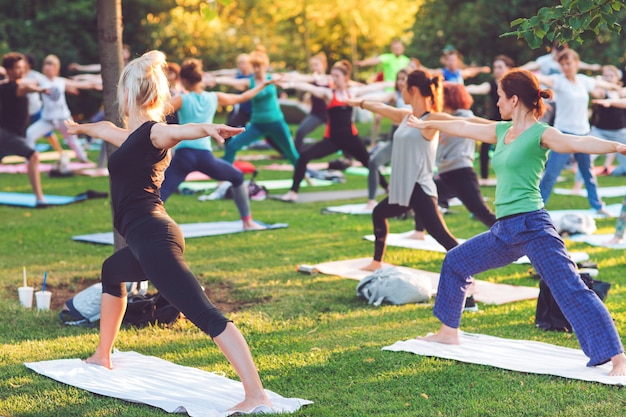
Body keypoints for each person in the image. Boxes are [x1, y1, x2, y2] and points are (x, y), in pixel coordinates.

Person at [63, 50, 272, 413]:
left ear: (130, 94)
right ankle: (102, 355)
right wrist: (79, 128)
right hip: (151, 236)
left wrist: (208, 128)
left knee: (205, 314)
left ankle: (256, 395)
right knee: (112, 271)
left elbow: (179, 131)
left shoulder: (153, 132)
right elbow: (105, 130)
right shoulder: (131, 136)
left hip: (154, 238)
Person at [406, 68, 626, 377]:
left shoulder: (541, 133)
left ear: (514, 99)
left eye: (499, 97)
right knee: (455, 262)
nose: (496, 103)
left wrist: (616, 147)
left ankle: (617, 357)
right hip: (504, 230)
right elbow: (463, 125)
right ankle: (448, 331)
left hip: (534, 227)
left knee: (570, 288)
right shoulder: (501, 132)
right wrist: (428, 122)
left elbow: (577, 142)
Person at [345, 69, 459, 272]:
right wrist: (359, 103)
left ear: (413, 90)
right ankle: (377, 261)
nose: (401, 89)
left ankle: (468, 271)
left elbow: (464, 123)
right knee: (379, 213)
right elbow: (379, 107)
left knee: (442, 237)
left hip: (419, 189)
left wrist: (500, 128)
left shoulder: (431, 119)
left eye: (404, 86)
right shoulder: (406, 116)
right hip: (404, 189)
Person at [159, 57, 270, 230]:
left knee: (159, 195)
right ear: (200, 79)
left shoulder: (181, 99)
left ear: (184, 81)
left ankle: (144, 229)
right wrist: (263, 85)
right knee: (237, 177)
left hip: (183, 156)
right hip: (205, 156)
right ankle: (247, 221)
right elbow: (243, 97)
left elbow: (158, 112)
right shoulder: (214, 97)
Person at [279, 60, 389, 203]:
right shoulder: (328, 94)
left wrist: (389, 83)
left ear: (345, 77)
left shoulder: (352, 93)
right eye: (332, 76)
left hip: (351, 138)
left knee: (369, 162)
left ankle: (388, 188)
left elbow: (370, 88)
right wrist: (290, 84)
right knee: (304, 156)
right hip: (332, 140)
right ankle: (293, 192)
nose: (333, 79)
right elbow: (310, 88)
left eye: (337, 76)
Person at [535, 49, 620, 214]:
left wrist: (615, 86)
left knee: (588, 173)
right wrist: (526, 75)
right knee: (551, 173)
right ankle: (536, 208)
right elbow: (542, 78)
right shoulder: (558, 81)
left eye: (569, 63)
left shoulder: (583, 81)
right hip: (564, 136)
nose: (566, 67)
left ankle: (598, 206)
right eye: (563, 64)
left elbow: (603, 85)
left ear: (576, 63)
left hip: (583, 135)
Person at [214, 46, 299, 166]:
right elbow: (232, 81)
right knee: (232, 146)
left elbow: (293, 79)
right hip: (257, 125)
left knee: (291, 153)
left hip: (276, 123)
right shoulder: (250, 82)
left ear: (265, 66)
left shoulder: (272, 79)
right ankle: (224, 177)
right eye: (254, 66)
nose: (257, 69)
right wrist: (215, 80)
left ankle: (304, 175)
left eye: (259, 66)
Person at [432, 82, 496, 227]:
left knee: (481, 212)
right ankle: (419, 232)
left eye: (440, 95)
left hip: (461, 172)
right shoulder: (442, 117)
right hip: (444, 173)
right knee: (423, 202)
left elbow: (483, 126)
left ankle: (515, 238)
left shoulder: (464, 115)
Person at [26, 54, 99, 164]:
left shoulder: (60, 81)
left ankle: (83, 159)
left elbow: (79, 84)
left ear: (56, 68)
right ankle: (30, 162)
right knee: (30, 134)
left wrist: (94, 85)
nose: (47, 67)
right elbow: (26, 84)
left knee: (72, 140)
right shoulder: (40, 80)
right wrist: (37, 89)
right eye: (46, 64)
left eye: (50, 65)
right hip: (48, 119)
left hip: (63, 118)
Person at [0, 52, 47, 205]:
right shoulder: (15, 87)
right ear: (8, 70)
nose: (21, 71)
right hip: (8, 135)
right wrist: (39, 90)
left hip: (7, 134)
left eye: (22, 67)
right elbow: (25, 88)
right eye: (17, 68)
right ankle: (40, 198)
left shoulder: (5, 85)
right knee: (33, 156)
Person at [465, 55, 515, 183]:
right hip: (496, 120)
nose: (497, 70)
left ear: (509, 68)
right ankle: (484, 177)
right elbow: (479, 88)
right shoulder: (492, 84)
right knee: (484, 145)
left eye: (500, 67)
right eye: (495, 67)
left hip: (513, 121)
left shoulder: (515, 84)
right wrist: (460, 89)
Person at [586, 65, 626, 175]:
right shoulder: (601, 92)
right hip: (600, 131)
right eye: (606, 76)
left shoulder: (621, 92)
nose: (608, 78)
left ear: (617, 78)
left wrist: (612, 101)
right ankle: (577, 187)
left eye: (611, 76)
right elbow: (593, 91)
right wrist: (594, 81)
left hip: (620, 132)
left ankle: (616, 172)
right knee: (586, 157)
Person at [289, 52, 330, 152]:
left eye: (316, 65)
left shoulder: (330, 79)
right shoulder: (312, 79)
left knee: (341, 133)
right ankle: (297, 155)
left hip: (330, 114)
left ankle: (348, 156)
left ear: (324, 65)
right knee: (301, 131)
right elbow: (300, 78)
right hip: (316, 114)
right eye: (312, 65)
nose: (314, 68)